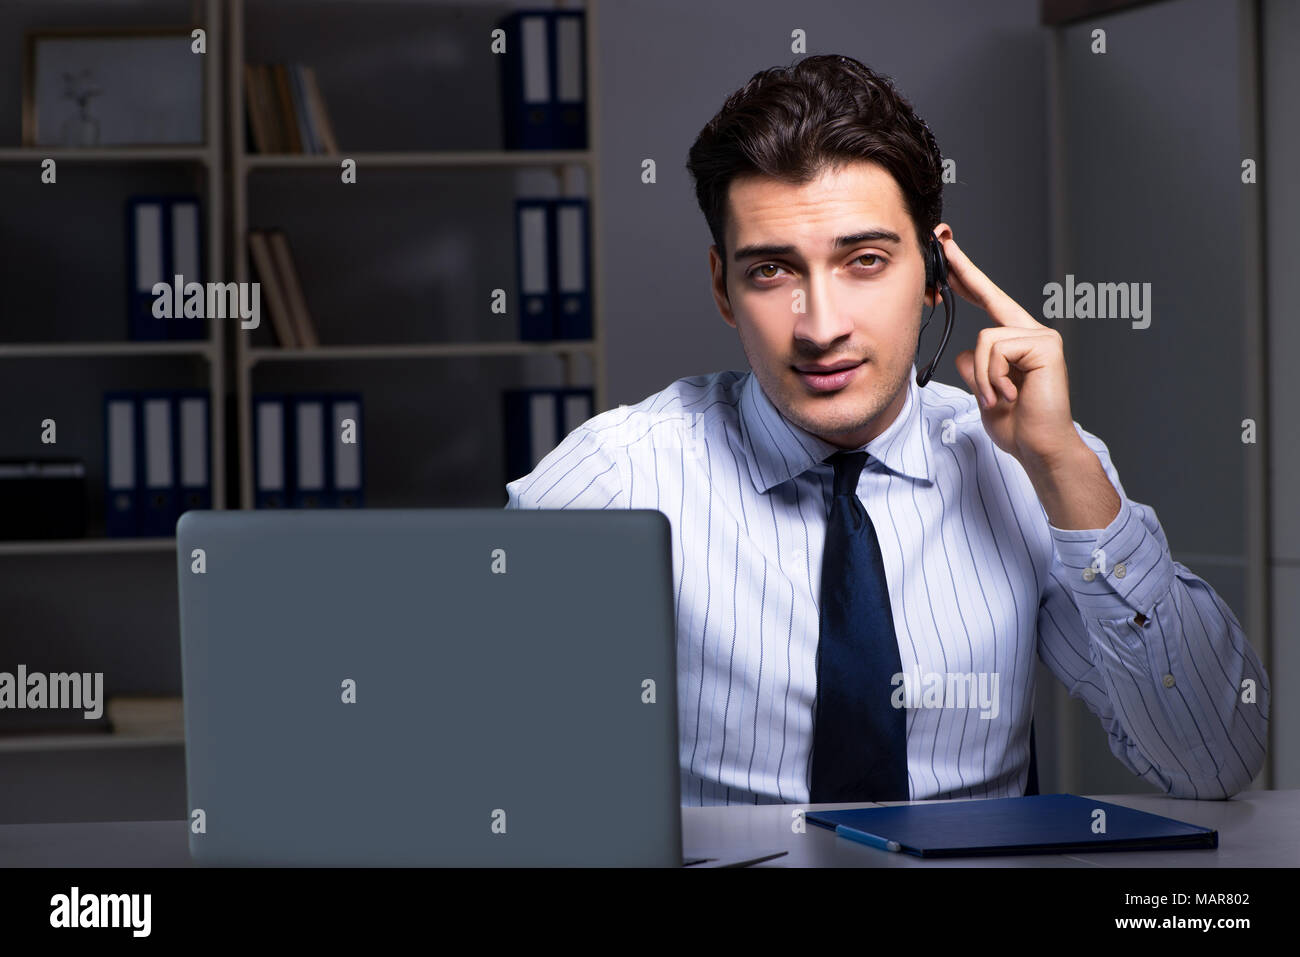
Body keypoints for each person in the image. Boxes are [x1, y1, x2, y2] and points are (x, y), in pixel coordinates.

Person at [504, 54, 1269, 806]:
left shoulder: (1033, 469)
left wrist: (1064, 465)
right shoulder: (616, 478)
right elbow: (467, 758)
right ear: (722, 287)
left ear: (936, 275)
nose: (822, 327)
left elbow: (1215, 759)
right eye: (772, 271)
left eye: (864, 260)